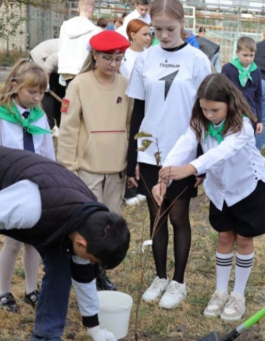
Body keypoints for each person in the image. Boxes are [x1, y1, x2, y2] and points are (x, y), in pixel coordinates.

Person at [0, 144, 129, 341]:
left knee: (61, 261)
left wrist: (94, 327)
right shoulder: (32, 206)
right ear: (81, 243)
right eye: (92, 258)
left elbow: (82, 271)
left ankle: (45, 337)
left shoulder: (91, 219)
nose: (89, 262)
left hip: (20, 190)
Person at [153, 74, 265, 321]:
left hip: (246, 187)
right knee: (224, 236)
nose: (209, 115)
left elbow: (221, 153)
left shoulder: (243, 126)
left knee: (244, 240)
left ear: (229, 103)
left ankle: (238, 295)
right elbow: (186, 143)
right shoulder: (200, 121)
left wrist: (190, 169)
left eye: (215, 110)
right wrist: (167, 172)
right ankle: (220, 291)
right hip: (220, 190)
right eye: (204, 109)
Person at [126, 0, 211, 309]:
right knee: (156, 215)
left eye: (169, 29)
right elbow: (138, 111)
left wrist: (200, 160)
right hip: (151, 150)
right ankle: (160, 276)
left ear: (182, 23)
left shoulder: (198, 60)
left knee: (178, 216)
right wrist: (132, 155)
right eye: (156, 29)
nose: (162, 35)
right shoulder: (144, 59)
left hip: (183, 151)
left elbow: (206, 112)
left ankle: (178, 282)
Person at [57, 31, 133, 291]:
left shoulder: (125, 84)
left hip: (116, 167)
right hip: (87, 168)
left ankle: (99, 271)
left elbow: (129, 124)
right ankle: (81, 274)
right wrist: (68, 168)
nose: (113, 65)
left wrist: (129, 162)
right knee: (89, 226)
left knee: (110, 223)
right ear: (95, 56)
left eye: (118, 59)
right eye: (107, 58)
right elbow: (68, 128)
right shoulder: (79, 84)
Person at [0, 60, 54, 313]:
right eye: (31, 92)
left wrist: (51, 182)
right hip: (12, 187)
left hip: (35, 186)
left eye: (42, 93)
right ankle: (2, 291)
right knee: (13, 241)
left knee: (33, 241)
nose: (37, 98)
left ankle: (31, 289)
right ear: (15, 87)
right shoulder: (0, 117)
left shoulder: (40, 116)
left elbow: (47, 151)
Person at [120, 18, 151, 206]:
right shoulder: (124, 56)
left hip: (145, 103)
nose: (149, 38)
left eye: (150, 34)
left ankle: (139, 180)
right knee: (129, 139)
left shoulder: (150, 55)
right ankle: (127, 185)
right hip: (127, 101)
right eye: (145, 34)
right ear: (133, 35)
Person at [221, 36, 263, 147]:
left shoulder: (256, 71)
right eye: (245, 55)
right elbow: (221, 93)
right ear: (237, 53)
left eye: (251, 55)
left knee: (248, 144)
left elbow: (258, 96)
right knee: (230, 143)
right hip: (232, 113)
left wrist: (259, 120)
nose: (248, 59)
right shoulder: (228, 69)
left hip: (250, 114)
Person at [57, 0, 102, 86]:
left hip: (67, 69)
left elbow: (60, 47)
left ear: (78, 9)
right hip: (84, 69)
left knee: (70, 96)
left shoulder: (65, 26)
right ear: (91, 9)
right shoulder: (95, 30)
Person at [29, 38, 62, 129]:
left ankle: (59, 125)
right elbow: (51, 61)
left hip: (53, 64)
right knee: (48, 93)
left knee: (60, 91)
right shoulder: (72, 51)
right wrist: (46, 82)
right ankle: (49, 125)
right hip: (41, 58)